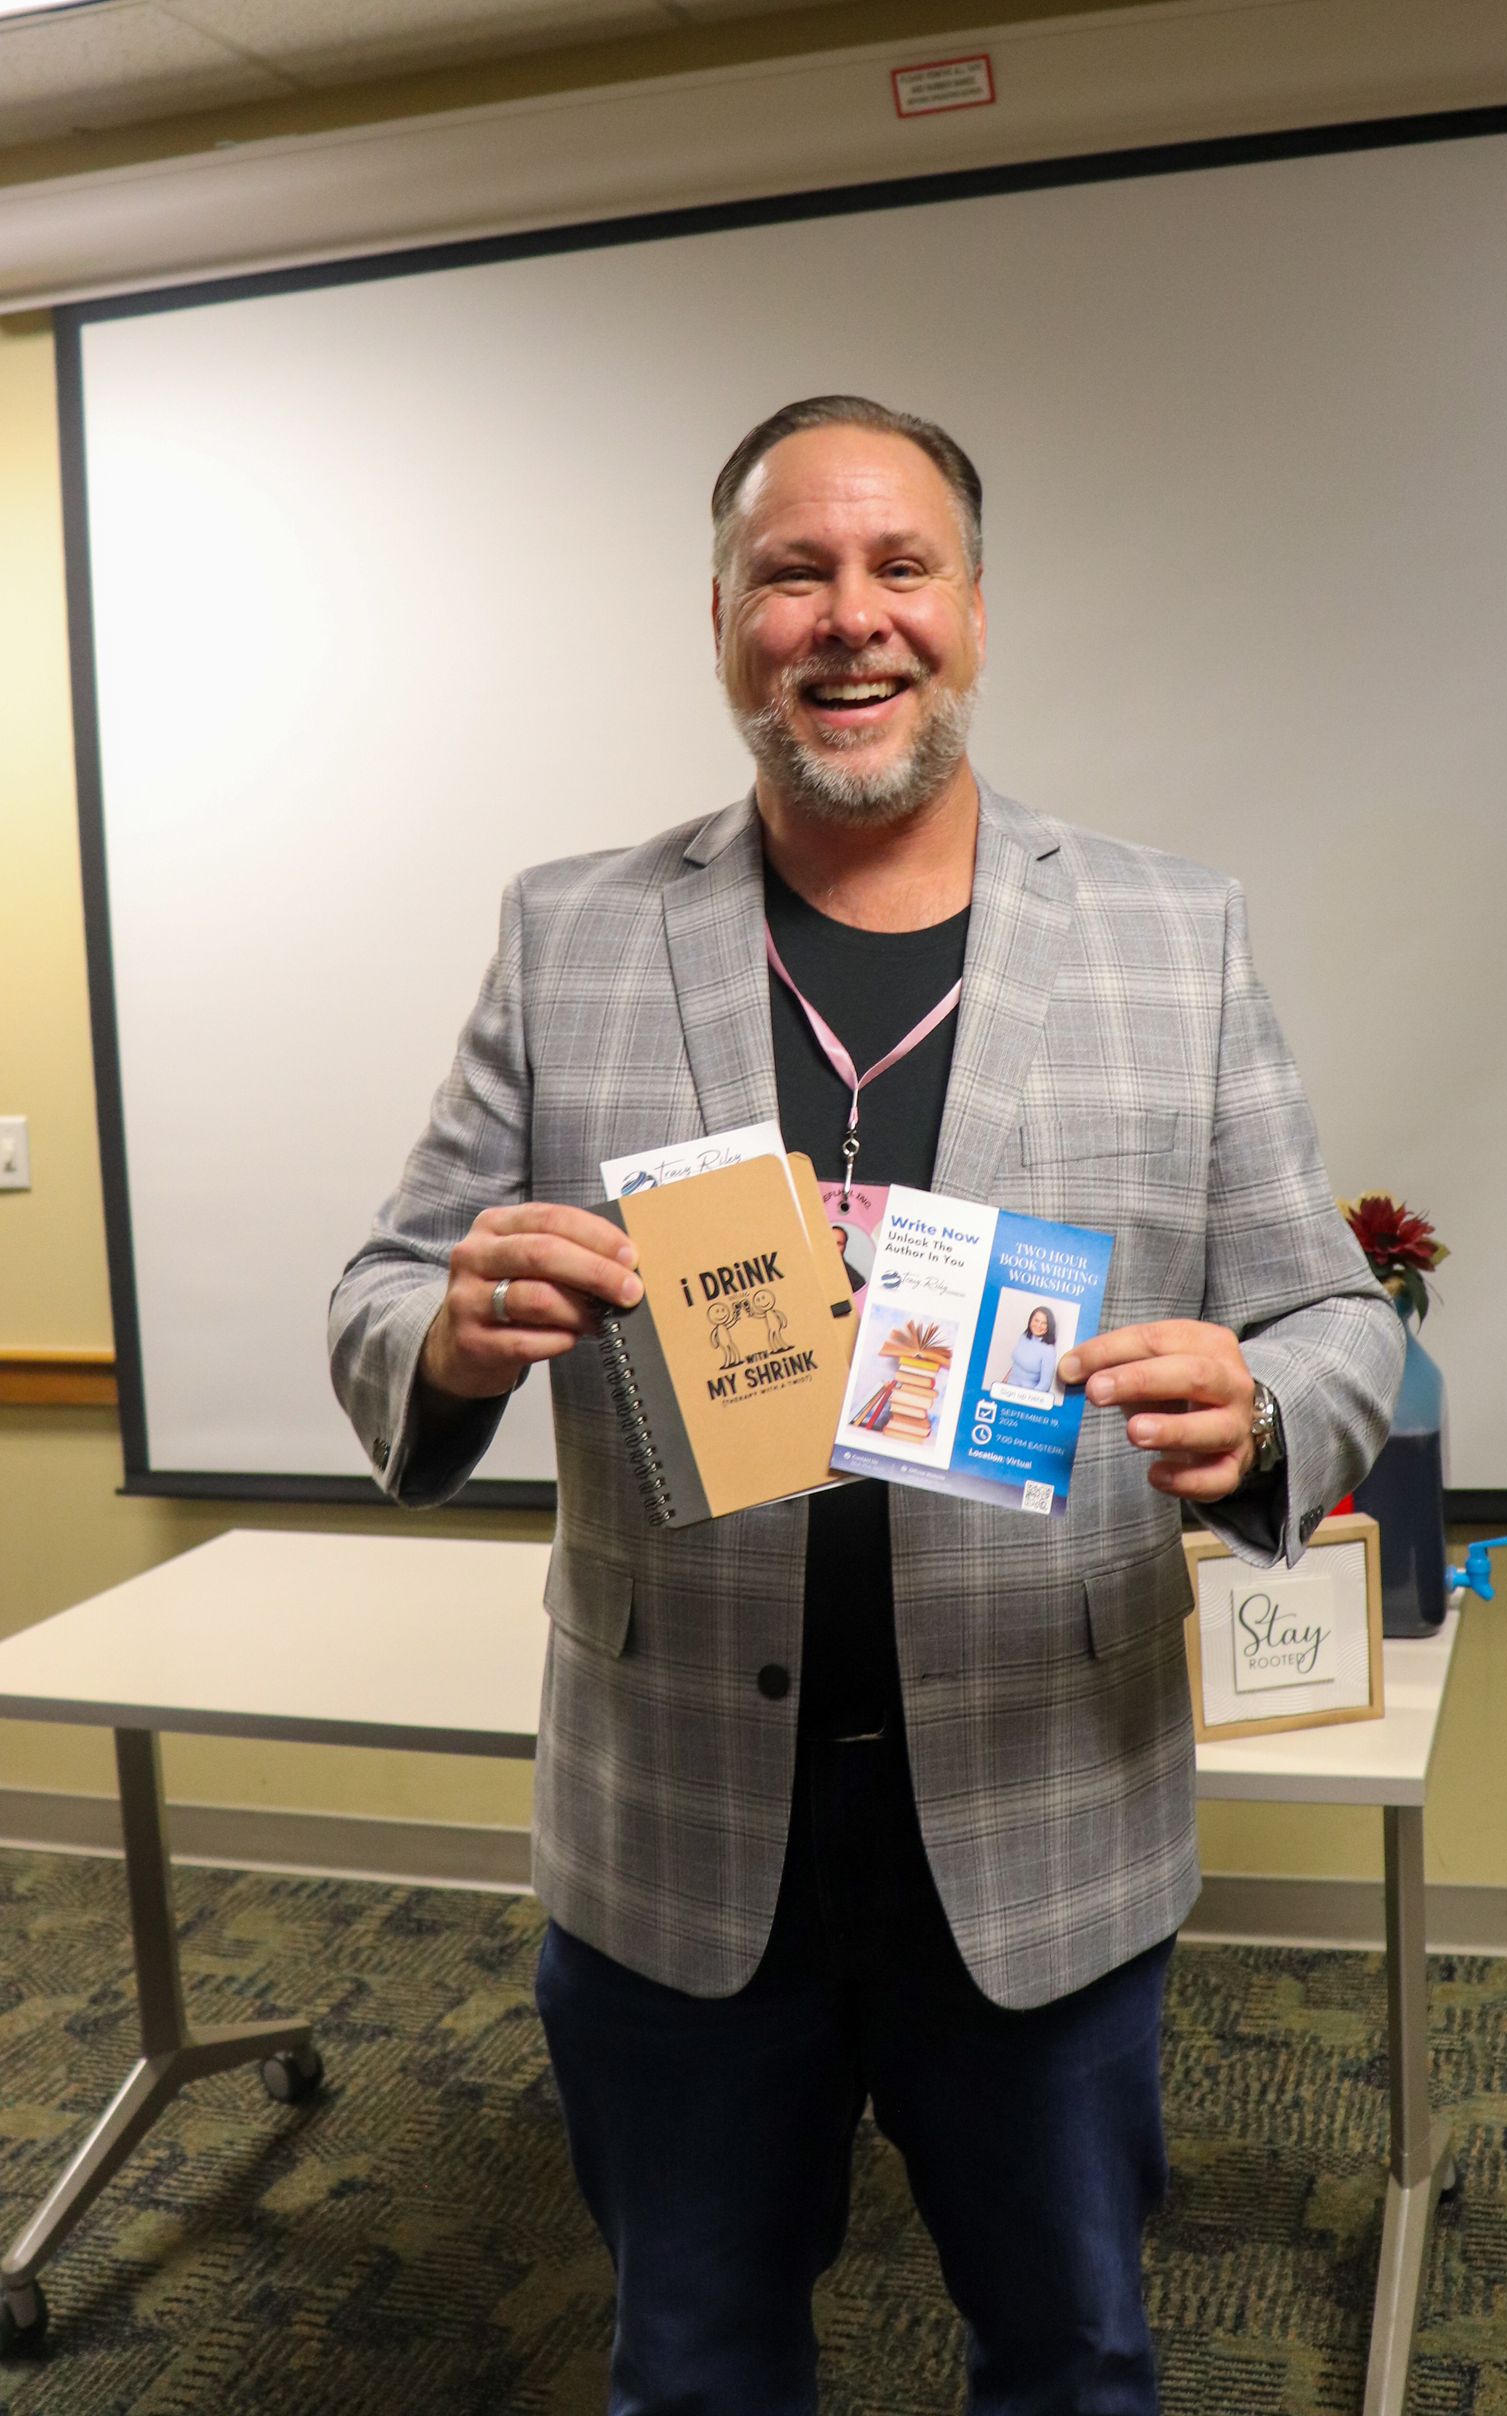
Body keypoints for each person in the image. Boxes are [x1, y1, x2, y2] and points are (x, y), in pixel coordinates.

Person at [329, 392, 1401, 2416]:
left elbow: (1337, 1321)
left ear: (978, 611)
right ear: (722, 618)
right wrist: (454, 1335)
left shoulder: (1174, 937)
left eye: (900, 568)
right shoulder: (574, 932)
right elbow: (387, 1290)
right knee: (696, 2362)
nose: (850, 619)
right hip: (673, 1824)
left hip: (1041, 1806)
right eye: (791, 572)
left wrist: (1257, 1408)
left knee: (1073, 2359)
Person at [1004, 1302, 1060, 1394]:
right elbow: (1015, 1365)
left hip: (1026, 1396)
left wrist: (1028, 1399)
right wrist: (1003, 1382)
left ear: (1049, 1326)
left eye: (1044, 1323)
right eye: (1036, 1320)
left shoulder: (1049, 1350)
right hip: (1007, 1389)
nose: (1038, 1325)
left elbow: (1045, 1384)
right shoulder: (1024, 1336)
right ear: (1030, 1320)